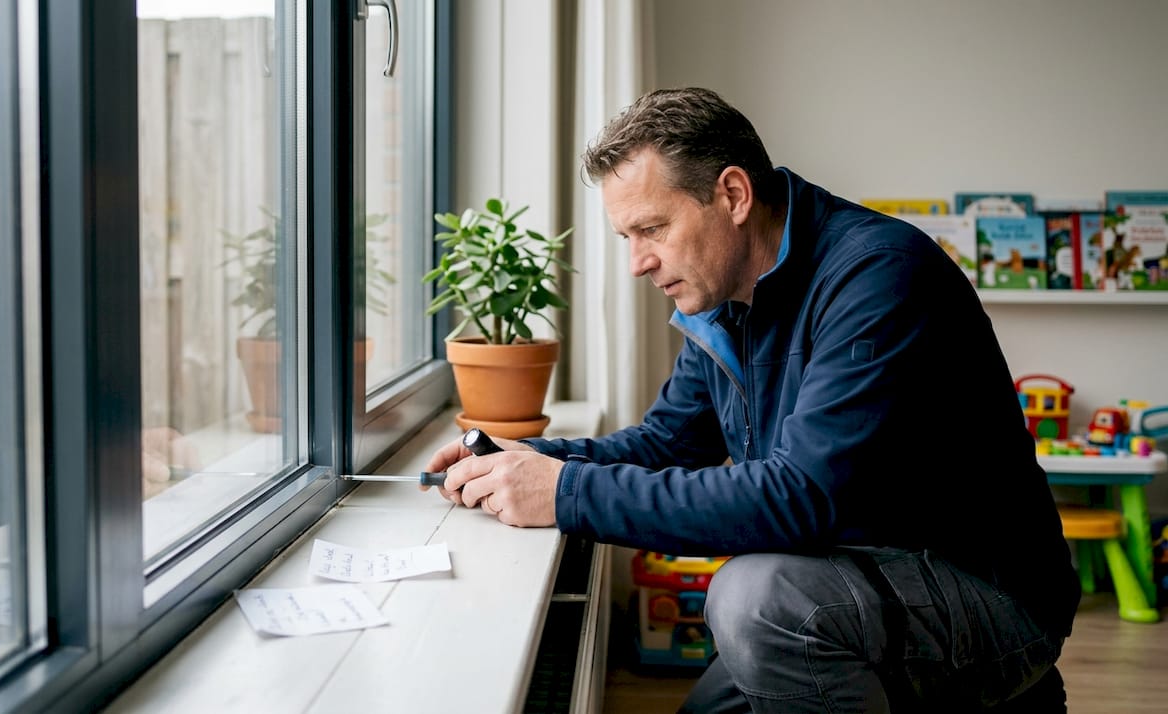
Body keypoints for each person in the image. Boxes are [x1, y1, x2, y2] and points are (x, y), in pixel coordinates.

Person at [425, 87, 1079, 713]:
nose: (638, 263)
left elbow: (802, 496)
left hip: (986, 597)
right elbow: (663, 445)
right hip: (841, 582)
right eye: (627, 237)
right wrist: (526, 459)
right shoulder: (727, 302)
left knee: (753, 596)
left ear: (733, 195)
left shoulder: (879, 275)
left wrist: (565, 493)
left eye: (652, 228)